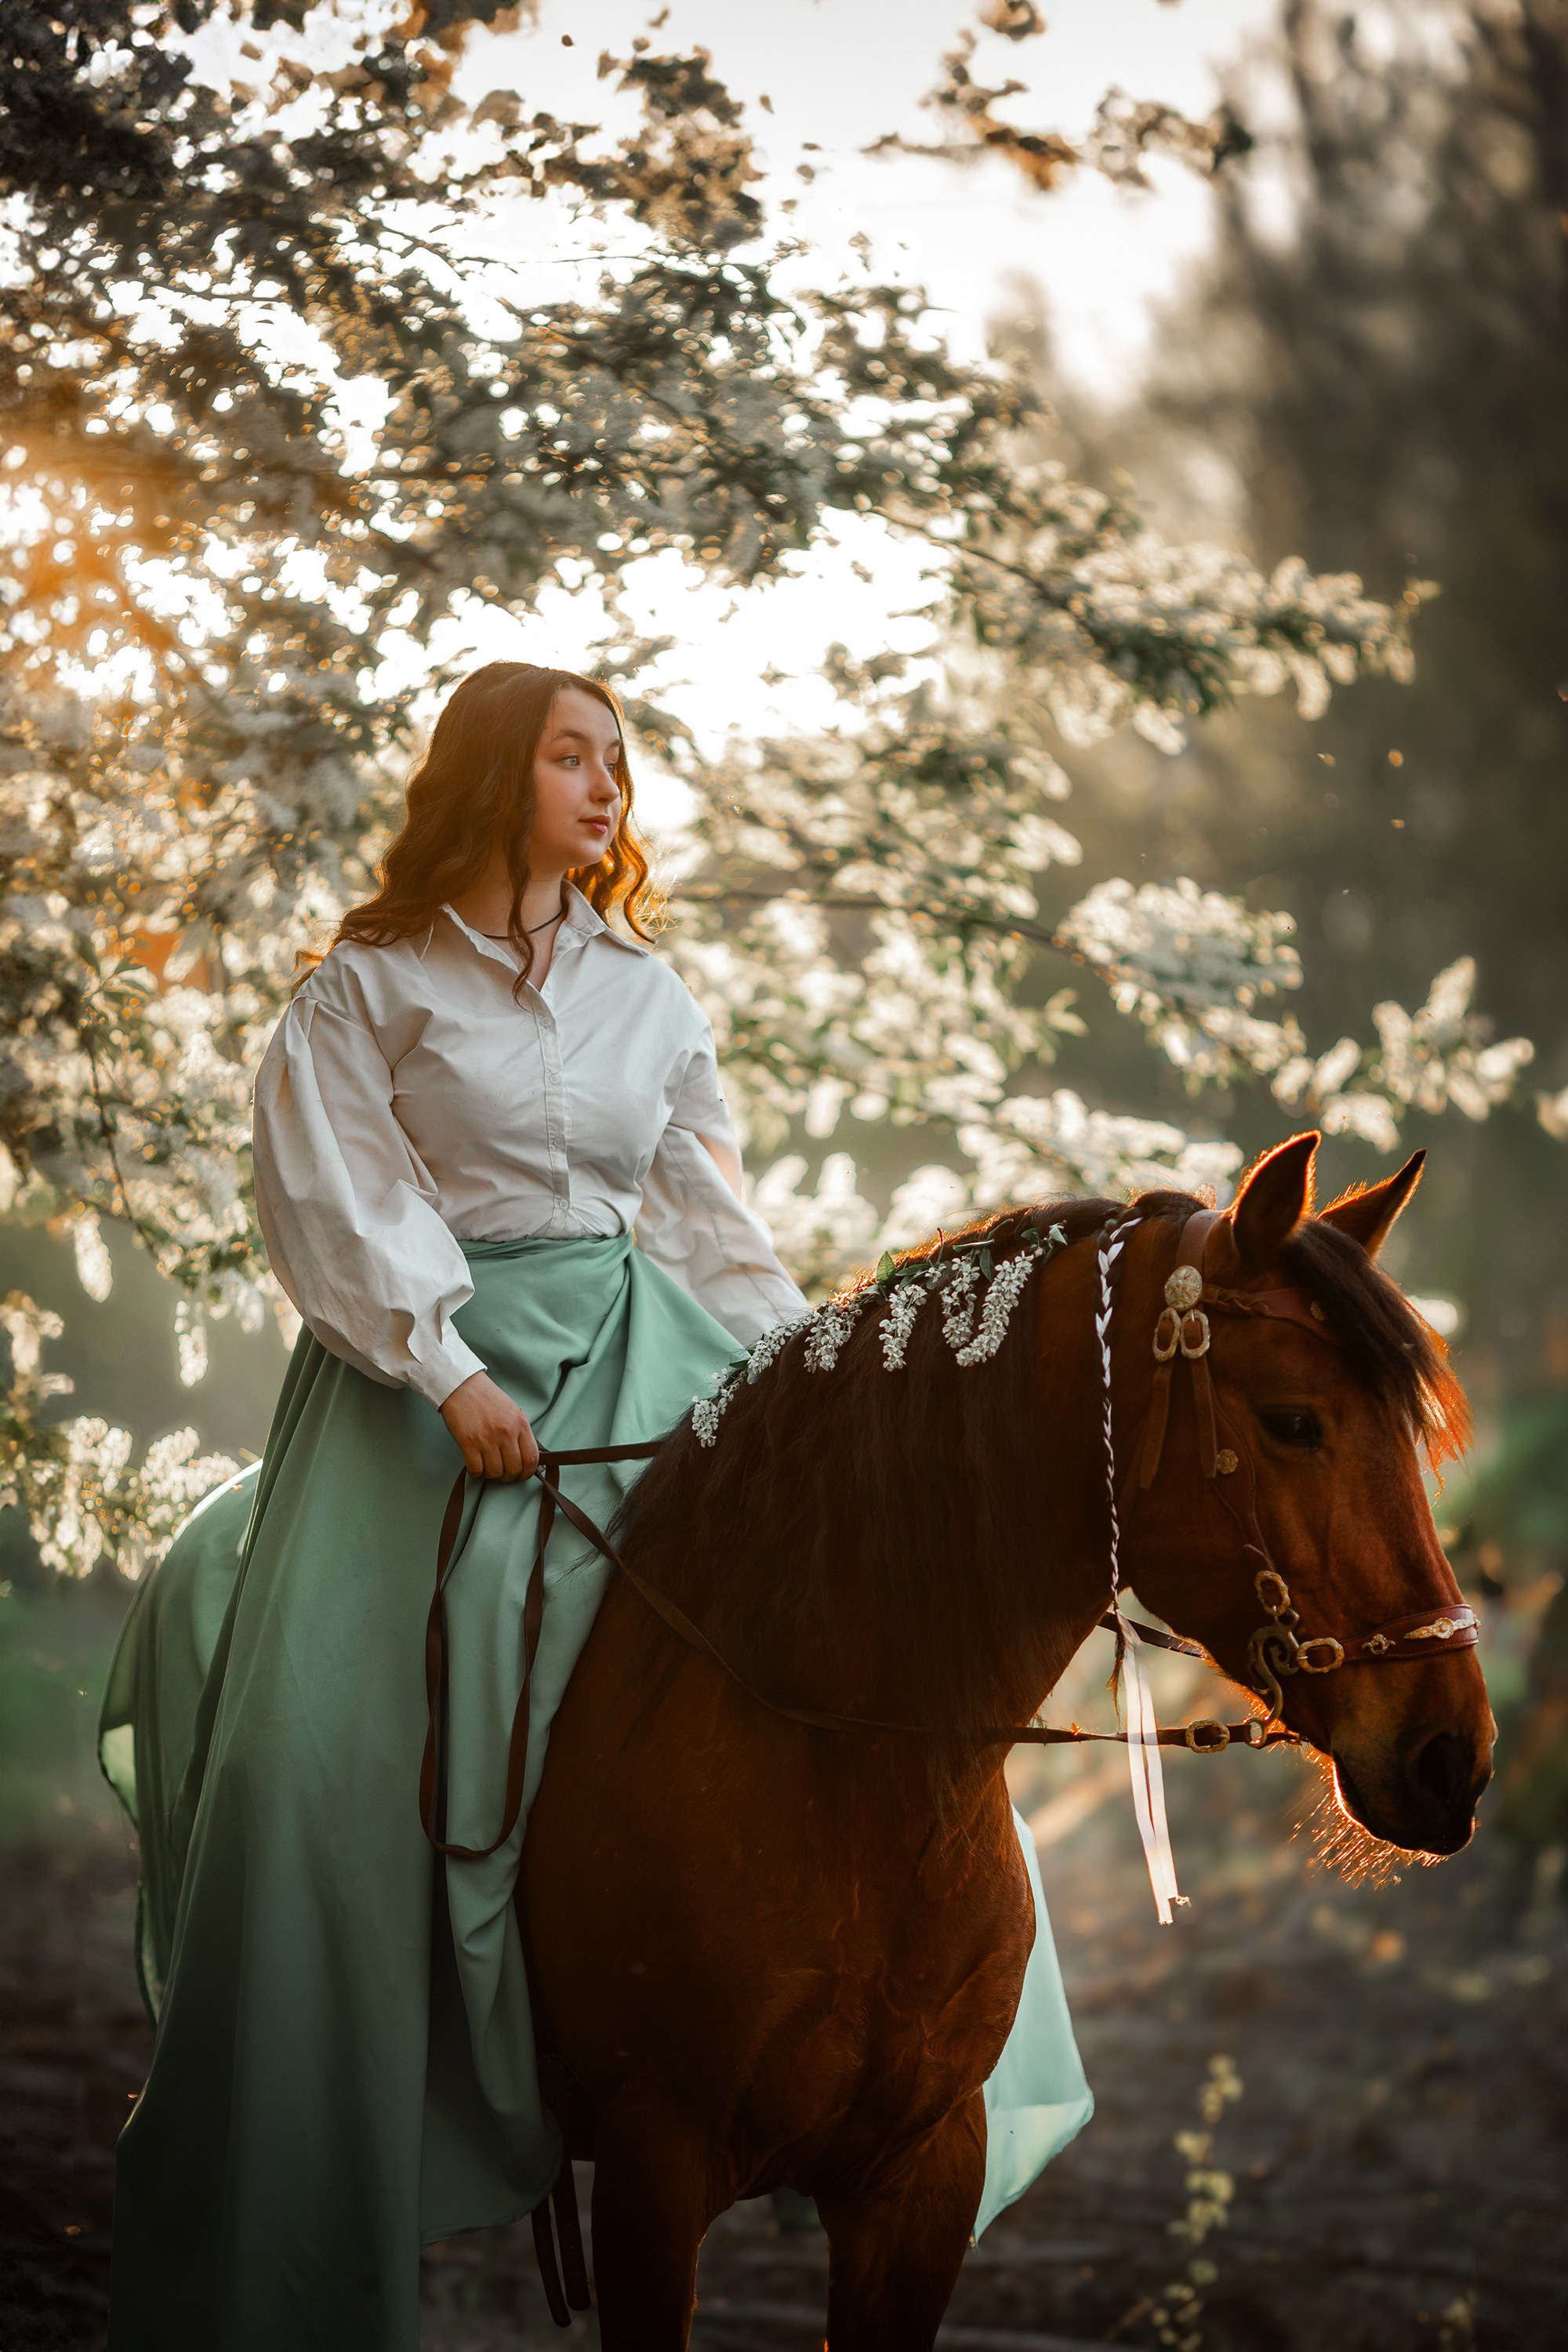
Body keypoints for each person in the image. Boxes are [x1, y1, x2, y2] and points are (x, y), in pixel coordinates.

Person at [99, 659, 1090, 2350]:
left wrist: (813, 1388)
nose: (605, 786)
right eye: (571, 756)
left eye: (617, 762)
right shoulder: (370, 986)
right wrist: (448, 1371)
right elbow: (331, 1192)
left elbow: (704, 1212)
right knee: (308, 1747)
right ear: (494, 777)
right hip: (436, 1379)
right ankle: (323, 2086)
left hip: (641, 1349)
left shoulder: (648, 990)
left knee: (816, 1656)